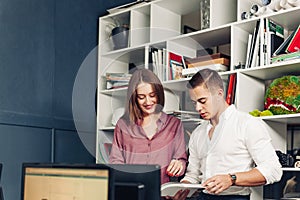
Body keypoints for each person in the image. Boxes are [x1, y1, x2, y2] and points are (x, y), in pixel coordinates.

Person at [176, 68, 282, 200]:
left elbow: (273, 170)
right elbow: (193, 175)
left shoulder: (248, 124)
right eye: (194, 103)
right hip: (202, 197)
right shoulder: (198, 133)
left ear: (219, 94)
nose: (198, 108)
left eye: (202, 101)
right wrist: (181, 189)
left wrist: (231, 179)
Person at [109, 68, 187, 184]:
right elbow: (115, 162)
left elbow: (181, 160)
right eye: (141, 97)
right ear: (134, 98)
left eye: (152, 95)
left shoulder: (174, 124)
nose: (148, 102)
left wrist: (179, 165)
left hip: (163, 194)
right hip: (133, 192)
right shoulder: (123, 125)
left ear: (159, 94)